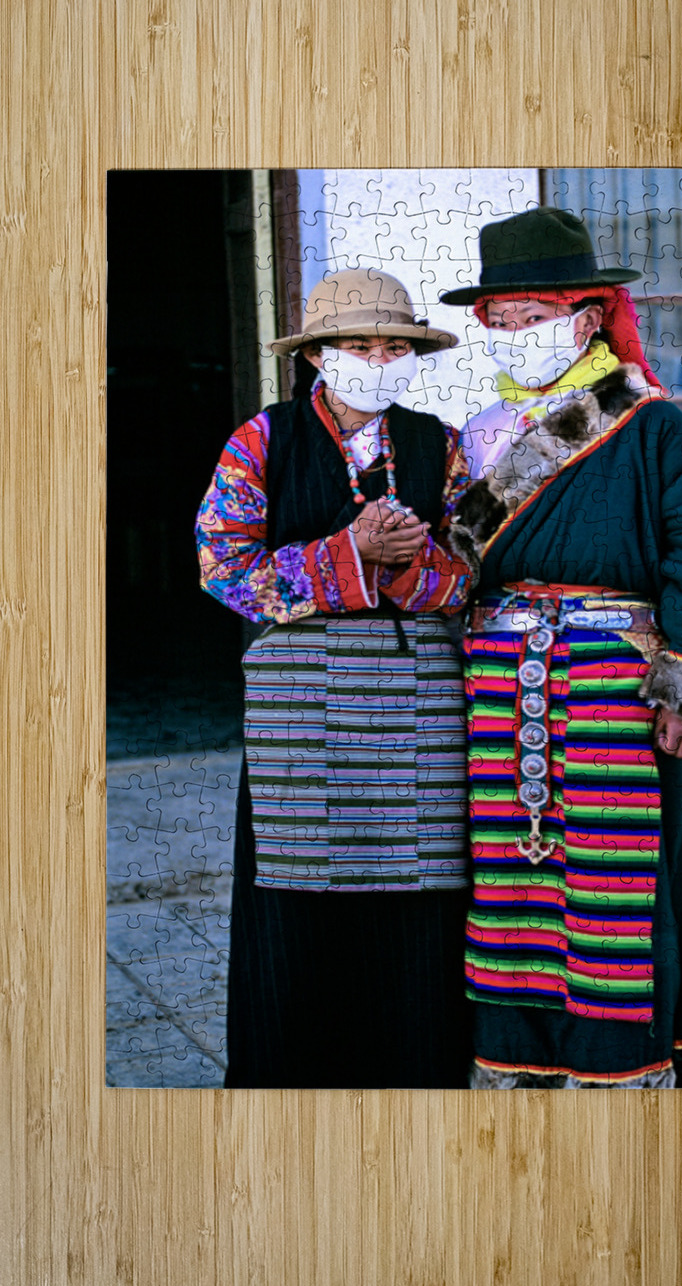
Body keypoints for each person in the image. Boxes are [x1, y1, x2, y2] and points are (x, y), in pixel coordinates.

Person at [440, 207, 682, 1088]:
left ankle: (620, 1062)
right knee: (511, 883)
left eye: (536, 317)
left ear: (587, 318)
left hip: (617, 695)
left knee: (614, 885)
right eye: (502, 320)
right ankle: (520, 1055)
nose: (517, 334)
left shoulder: (648, 426)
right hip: (497, 695)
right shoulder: (478, 435)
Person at [196, 268, 474, 1088]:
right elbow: (221, 566)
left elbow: (472, 569)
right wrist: (348, 554)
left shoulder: (439, 444)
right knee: (296, 897)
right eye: (359, 345)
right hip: (301, 709)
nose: (378, 361)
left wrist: (404, 567)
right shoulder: (262, 440)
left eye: (394, 347)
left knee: (420, 893)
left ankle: (418, 1080)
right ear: (317, 355)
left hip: (418, 706)